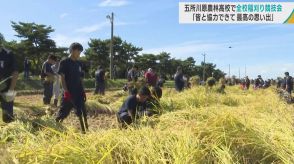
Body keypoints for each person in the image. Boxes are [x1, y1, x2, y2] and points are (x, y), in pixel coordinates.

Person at [55, 42, 88, 133]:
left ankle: (85, 131)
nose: (80, 54)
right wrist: (66, 91)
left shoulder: (78, 63)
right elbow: (62, 77)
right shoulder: (64, 62)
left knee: (82, 112)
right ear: (73, 51)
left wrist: (83, 91)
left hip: (79, 92)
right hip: (69, 92)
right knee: (63, 113)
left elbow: (80, 79)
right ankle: (55, 128)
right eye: (79, 52)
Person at [0, 47, 18, 123]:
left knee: (7, 117)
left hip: (6, 89)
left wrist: (11, 91)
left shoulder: (9, 54)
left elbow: (15, 73)